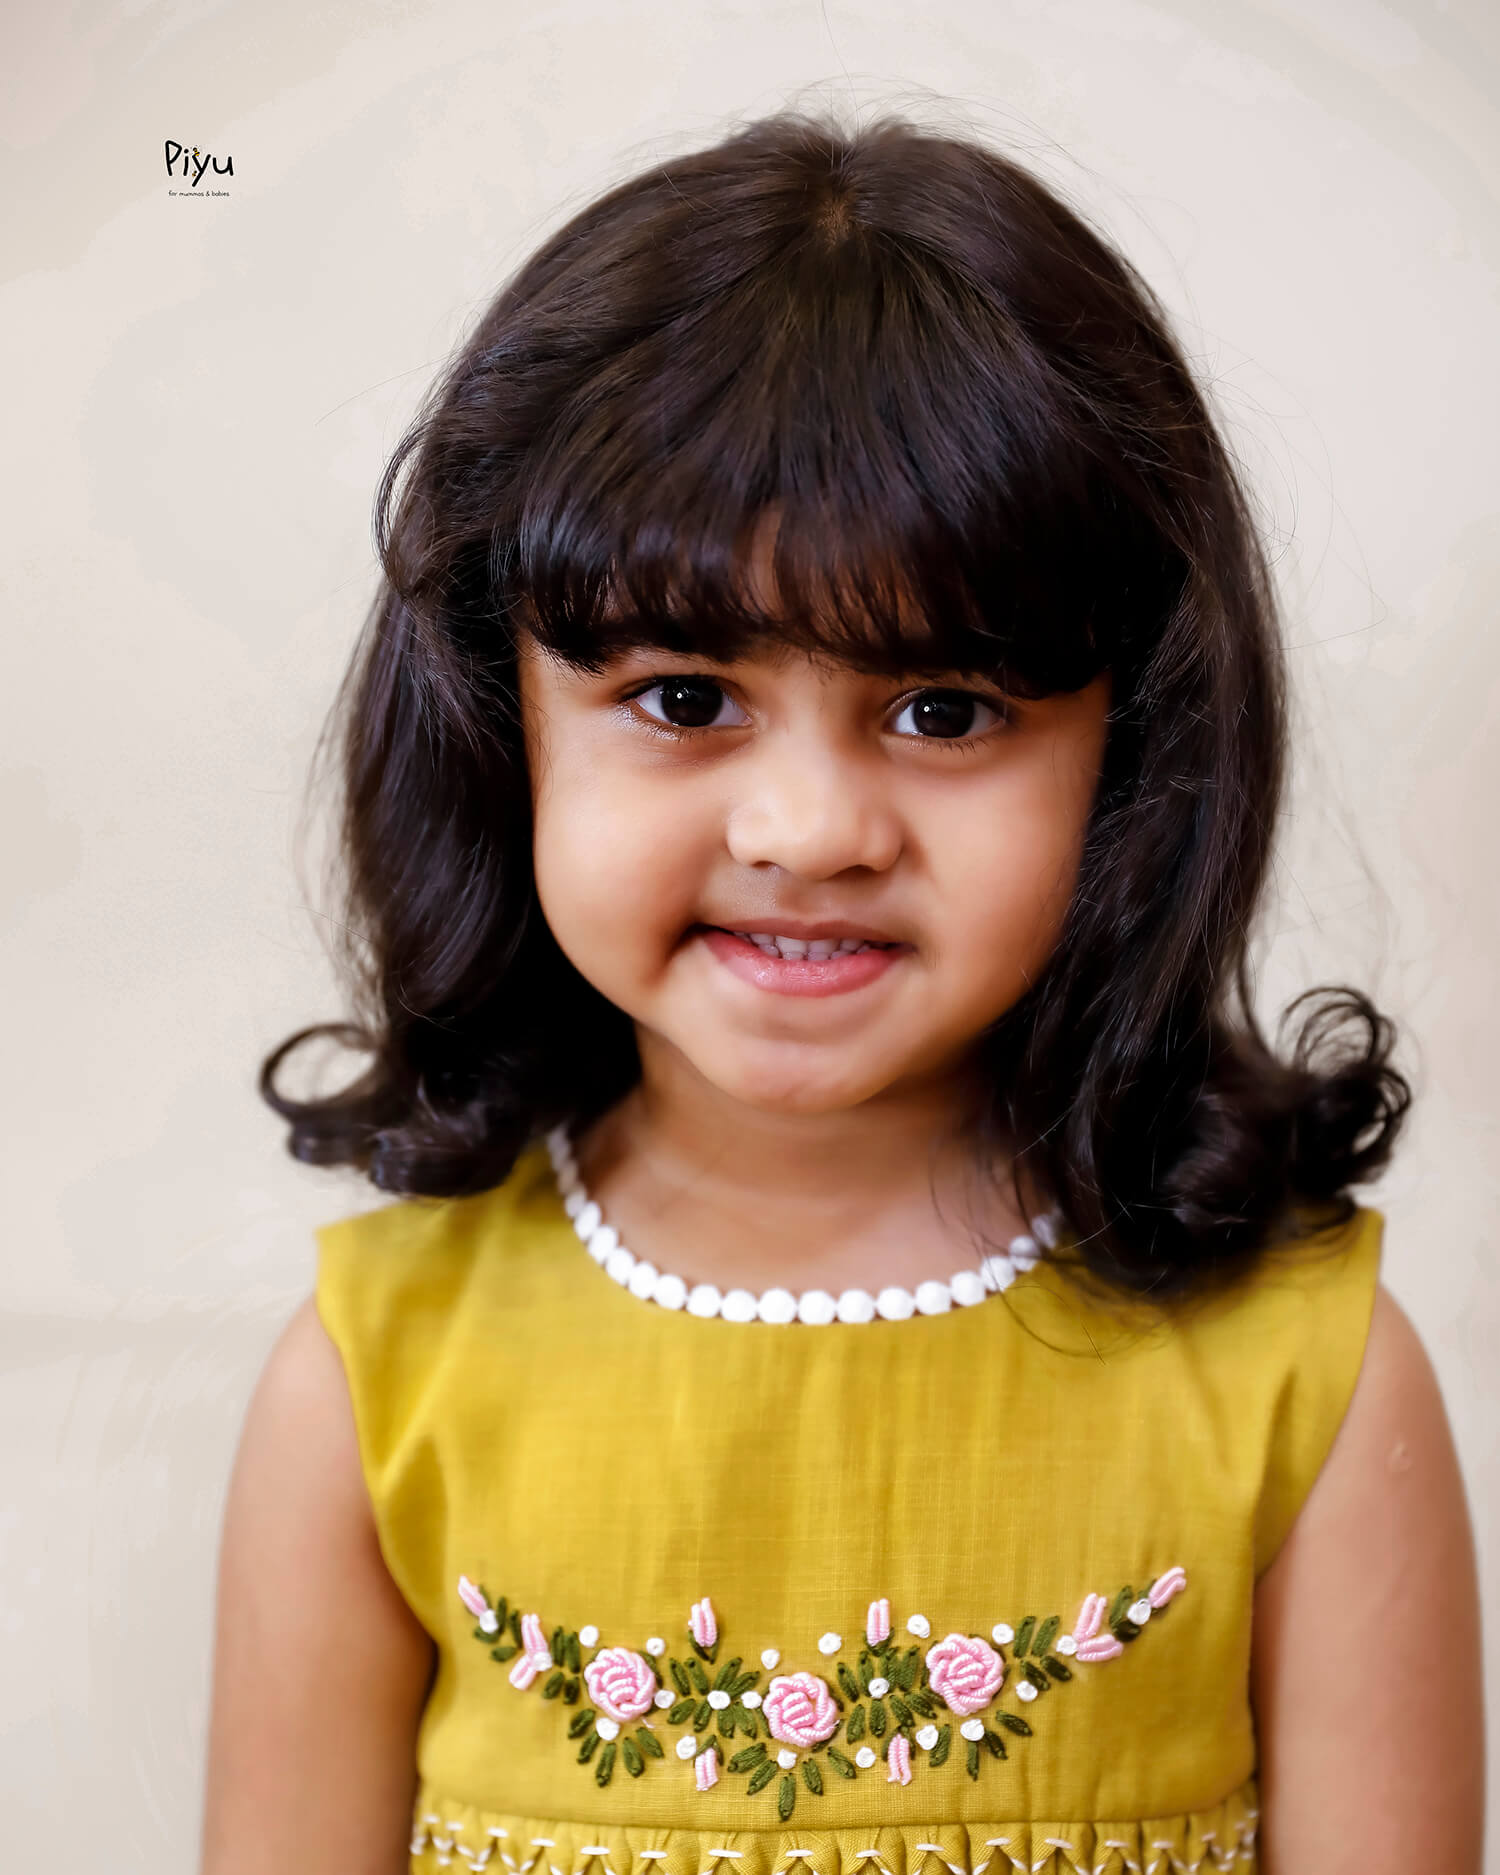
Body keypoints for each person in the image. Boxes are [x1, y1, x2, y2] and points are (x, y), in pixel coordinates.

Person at [200, 109, 1484, 1874]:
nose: (808, 833)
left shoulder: (1310, 1376)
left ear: (1131, 750)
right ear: (502, 725)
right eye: (683, 697)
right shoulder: (371, 1382)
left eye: (944, 710)